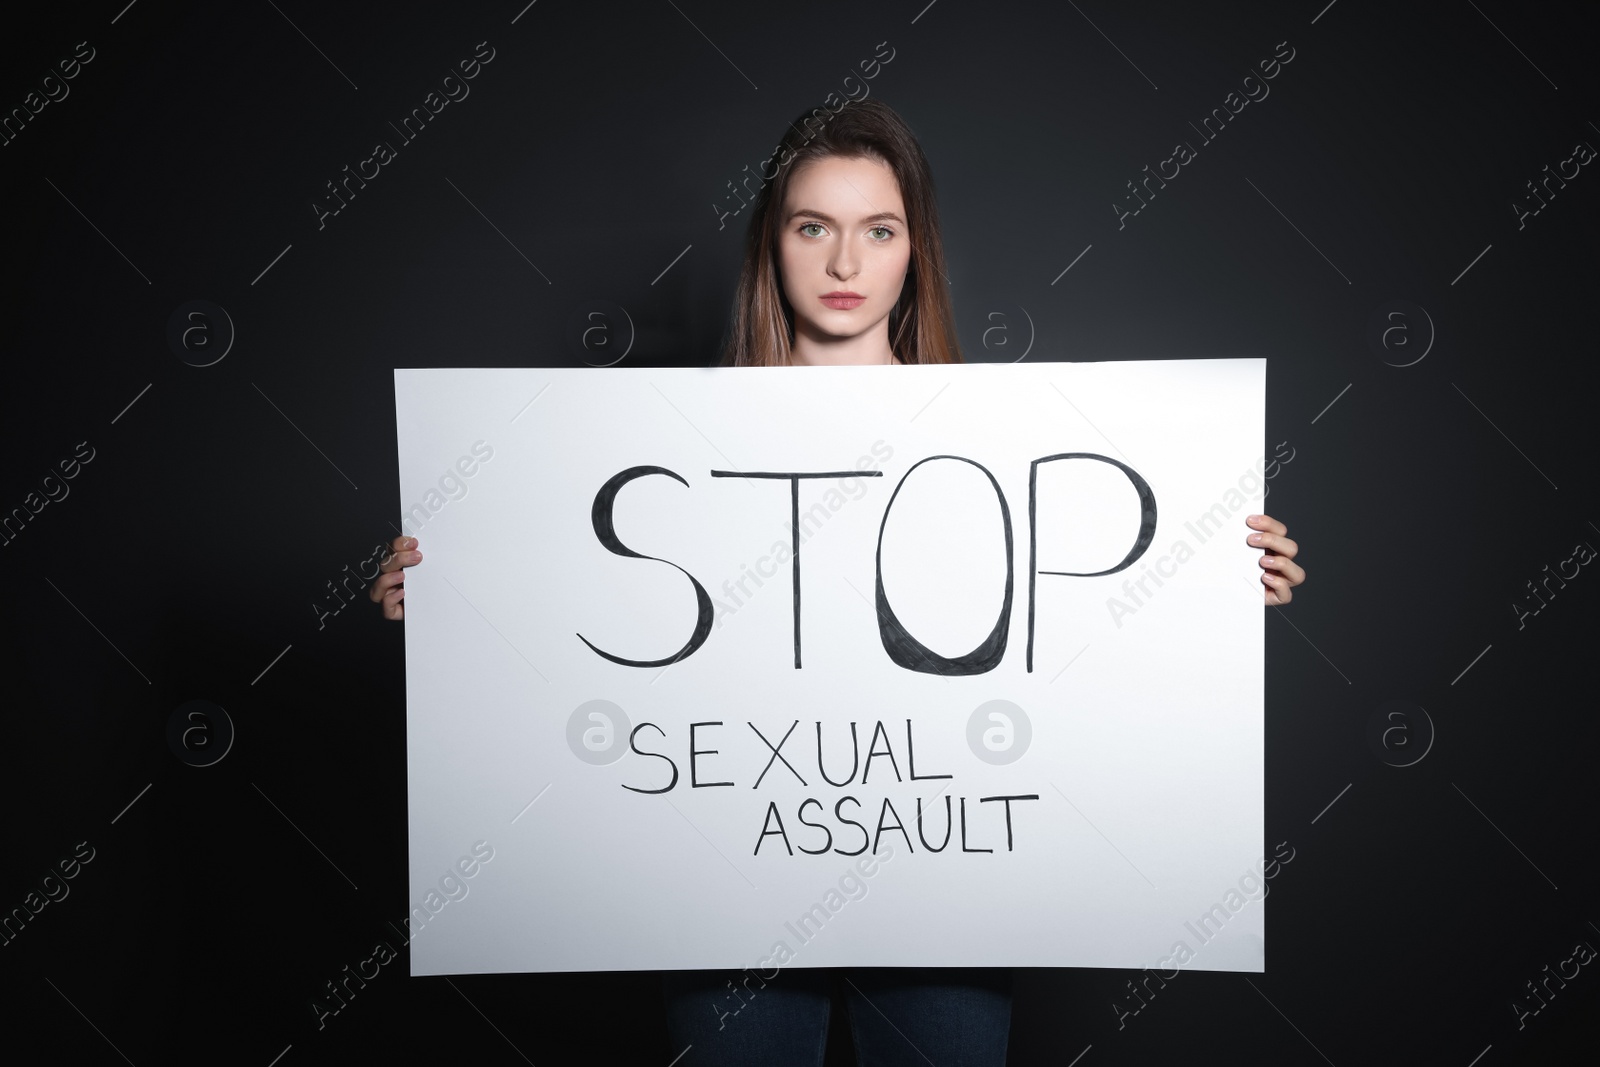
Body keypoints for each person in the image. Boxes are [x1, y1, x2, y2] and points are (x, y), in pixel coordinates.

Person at [370, 99, 1306, 1065]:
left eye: (879, 231)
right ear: (772, 244)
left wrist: (1213, 582)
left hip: (950, 885)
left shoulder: (1000, 444)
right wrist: (456, 596)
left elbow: (1084, 645)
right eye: (813, 226)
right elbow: (580, 633)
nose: (846, 264)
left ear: (915, 251)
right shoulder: (663, 445)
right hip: (722, 882)